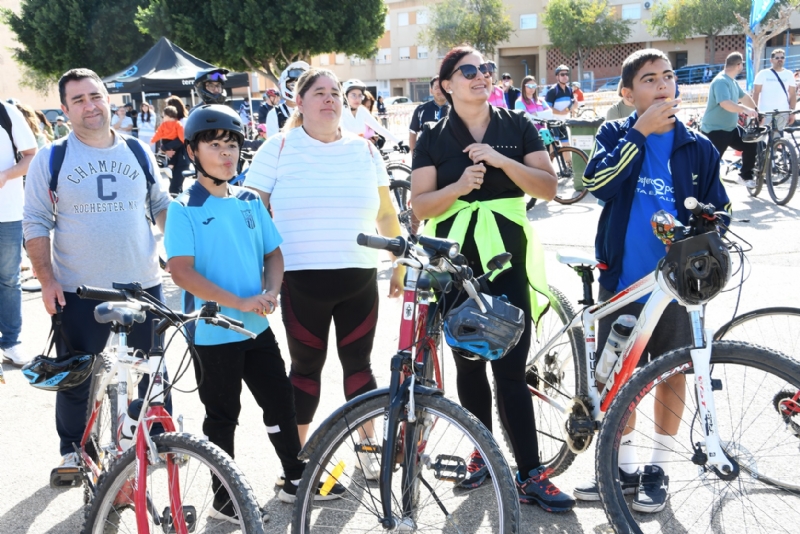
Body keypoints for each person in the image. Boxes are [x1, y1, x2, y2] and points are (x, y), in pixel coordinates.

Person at [410, 45, 575, 513]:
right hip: (455, 259)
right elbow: (419, 207)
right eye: (469, 71)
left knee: (511, 366)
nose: (482, 76)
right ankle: (481, 454)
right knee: (468, 362)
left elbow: (548, 187)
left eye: (486, 69)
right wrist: (458, 188)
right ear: (446, 85)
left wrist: (504, 163)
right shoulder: (432, 136)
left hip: (507, 255)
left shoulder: (517, 125)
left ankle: (529, 473)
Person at [165, 104, 342, 519]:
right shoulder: (183, 206)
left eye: (232, 145)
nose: (226, 153)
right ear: (193, 151)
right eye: (215, 144)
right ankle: (224, 500)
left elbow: (274, 254)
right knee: (222, 417)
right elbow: (181, 273)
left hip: (255, 329)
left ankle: (294, 477)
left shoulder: (248, 201)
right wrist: (240, 301)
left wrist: (270, 291)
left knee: (281, 404)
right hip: (212, 332)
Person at [577, 49, 731, 512]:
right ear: (627, 94)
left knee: (671, 374)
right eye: (649, 79)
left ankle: (657, 468)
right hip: (624, 280)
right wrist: (638, 134)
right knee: (617, 378)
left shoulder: (698, 146)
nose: (663, 85)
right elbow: (599, 183)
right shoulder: (614, 133)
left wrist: (708, 225)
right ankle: (620, 469)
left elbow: (720, 210)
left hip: (680, 288)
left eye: (668, 76)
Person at [246, 68, 404, 483]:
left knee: (359, 367)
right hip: (302, 279)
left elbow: (387, 213)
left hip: (359, 277)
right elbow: (251, 214)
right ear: (299, 102)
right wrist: (259, 274)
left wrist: (400, 260)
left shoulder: (366, 151)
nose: (329, 99)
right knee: (305, 370)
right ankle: (297, 462)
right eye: (319, 93)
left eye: (335, 92)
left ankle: (369, 450)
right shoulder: (277, 148)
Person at [22, 68, 172, 472]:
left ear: (108, 99)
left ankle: (157, 442)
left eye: (96, 96)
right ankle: (75, 450)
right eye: (79, 100)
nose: (90, 106)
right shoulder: (53, 158)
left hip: (142, 285)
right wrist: (47, 280)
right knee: (79, 375)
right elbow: (35, 222)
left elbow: (160, 206)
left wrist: (182, 251)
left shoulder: (139, 151)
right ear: (66, 110)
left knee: (151, 371)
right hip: (79, 290)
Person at [0, 99, 37, 368]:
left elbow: (31, 156)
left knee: (8, 280)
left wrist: (5, 175)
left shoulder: (6, 112)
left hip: (7, 213)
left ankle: (11, 341)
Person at [700, 52, 759, 188]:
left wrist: (756, 111)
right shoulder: (721, 81)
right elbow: (725, 103)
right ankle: (704, 193)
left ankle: (745, 176)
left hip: (730, 128)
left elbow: (744, 97)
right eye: (742, 64)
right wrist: (744, 109)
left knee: (751, 143)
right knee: (711, 164)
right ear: (739, 65)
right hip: (715, 130)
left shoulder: (732, 81)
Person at [342, 79, 401, 146]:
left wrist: (399, 142)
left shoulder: (362, 110)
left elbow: (378, 128)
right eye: (353, 95)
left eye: (360, 95)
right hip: (344, 152)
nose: (357, 99)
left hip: (359, 150)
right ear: (345, 96)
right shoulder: (340, 112)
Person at [753, 48, 796, 129]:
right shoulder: (763, 74)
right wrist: (755, 111)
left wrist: (792, 112)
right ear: (771, 60)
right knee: (763, 137)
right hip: (765, 112)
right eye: (777, 58)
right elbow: (756, 93)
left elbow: (793, 94)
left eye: (782, 57)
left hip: (783, 112)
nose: (780, 59)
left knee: (778, 138)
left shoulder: (789, 74)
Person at [151, 106, 188, 195]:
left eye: (163, 116)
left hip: (180, 155)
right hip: (171, 149)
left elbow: (182, 140)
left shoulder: (178, 124)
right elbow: (158, 134)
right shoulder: (166, 124)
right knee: (175, 186)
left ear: (168, 115)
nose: (162, 118)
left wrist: (165, 147)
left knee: (174, 188)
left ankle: (170, 166)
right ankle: (170, 166)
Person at [266, 61, 309, 138]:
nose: (297, 89)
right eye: (293, 85)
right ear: (283, 85)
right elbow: (274, 144)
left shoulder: (313, 110)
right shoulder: (274, 114)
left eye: (301, 85)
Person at [408, 76, 450, 151]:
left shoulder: (456, 109)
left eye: (443, 87)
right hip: (426, 155)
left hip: (449, 156)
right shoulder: (421, 109)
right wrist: (414, 157)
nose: (440, 90)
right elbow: (413, 133)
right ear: (431, 90)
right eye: (437, 87)